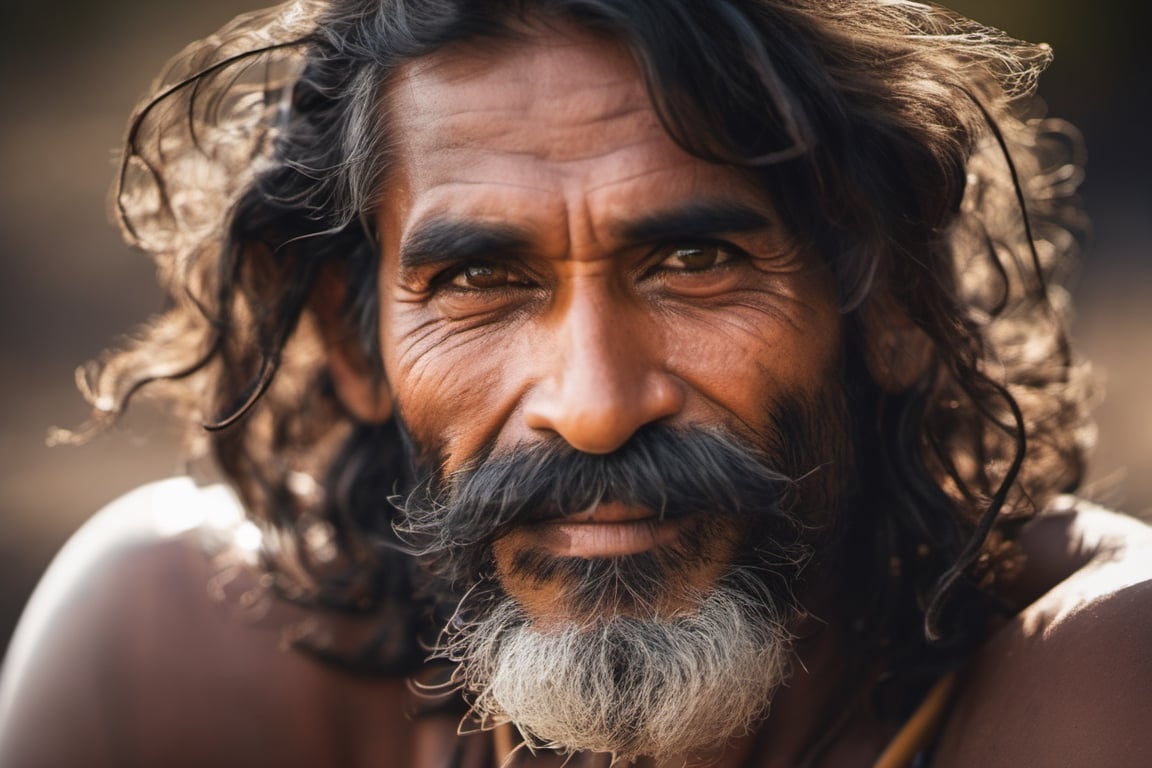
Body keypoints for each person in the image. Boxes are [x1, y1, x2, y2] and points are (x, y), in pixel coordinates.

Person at [2, 0, 1150, 765]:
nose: (596, 404)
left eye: (696, 262)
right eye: (480, 279)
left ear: (887, 302)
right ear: (353, 346)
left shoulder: (1098, 673)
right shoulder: (172, 659)